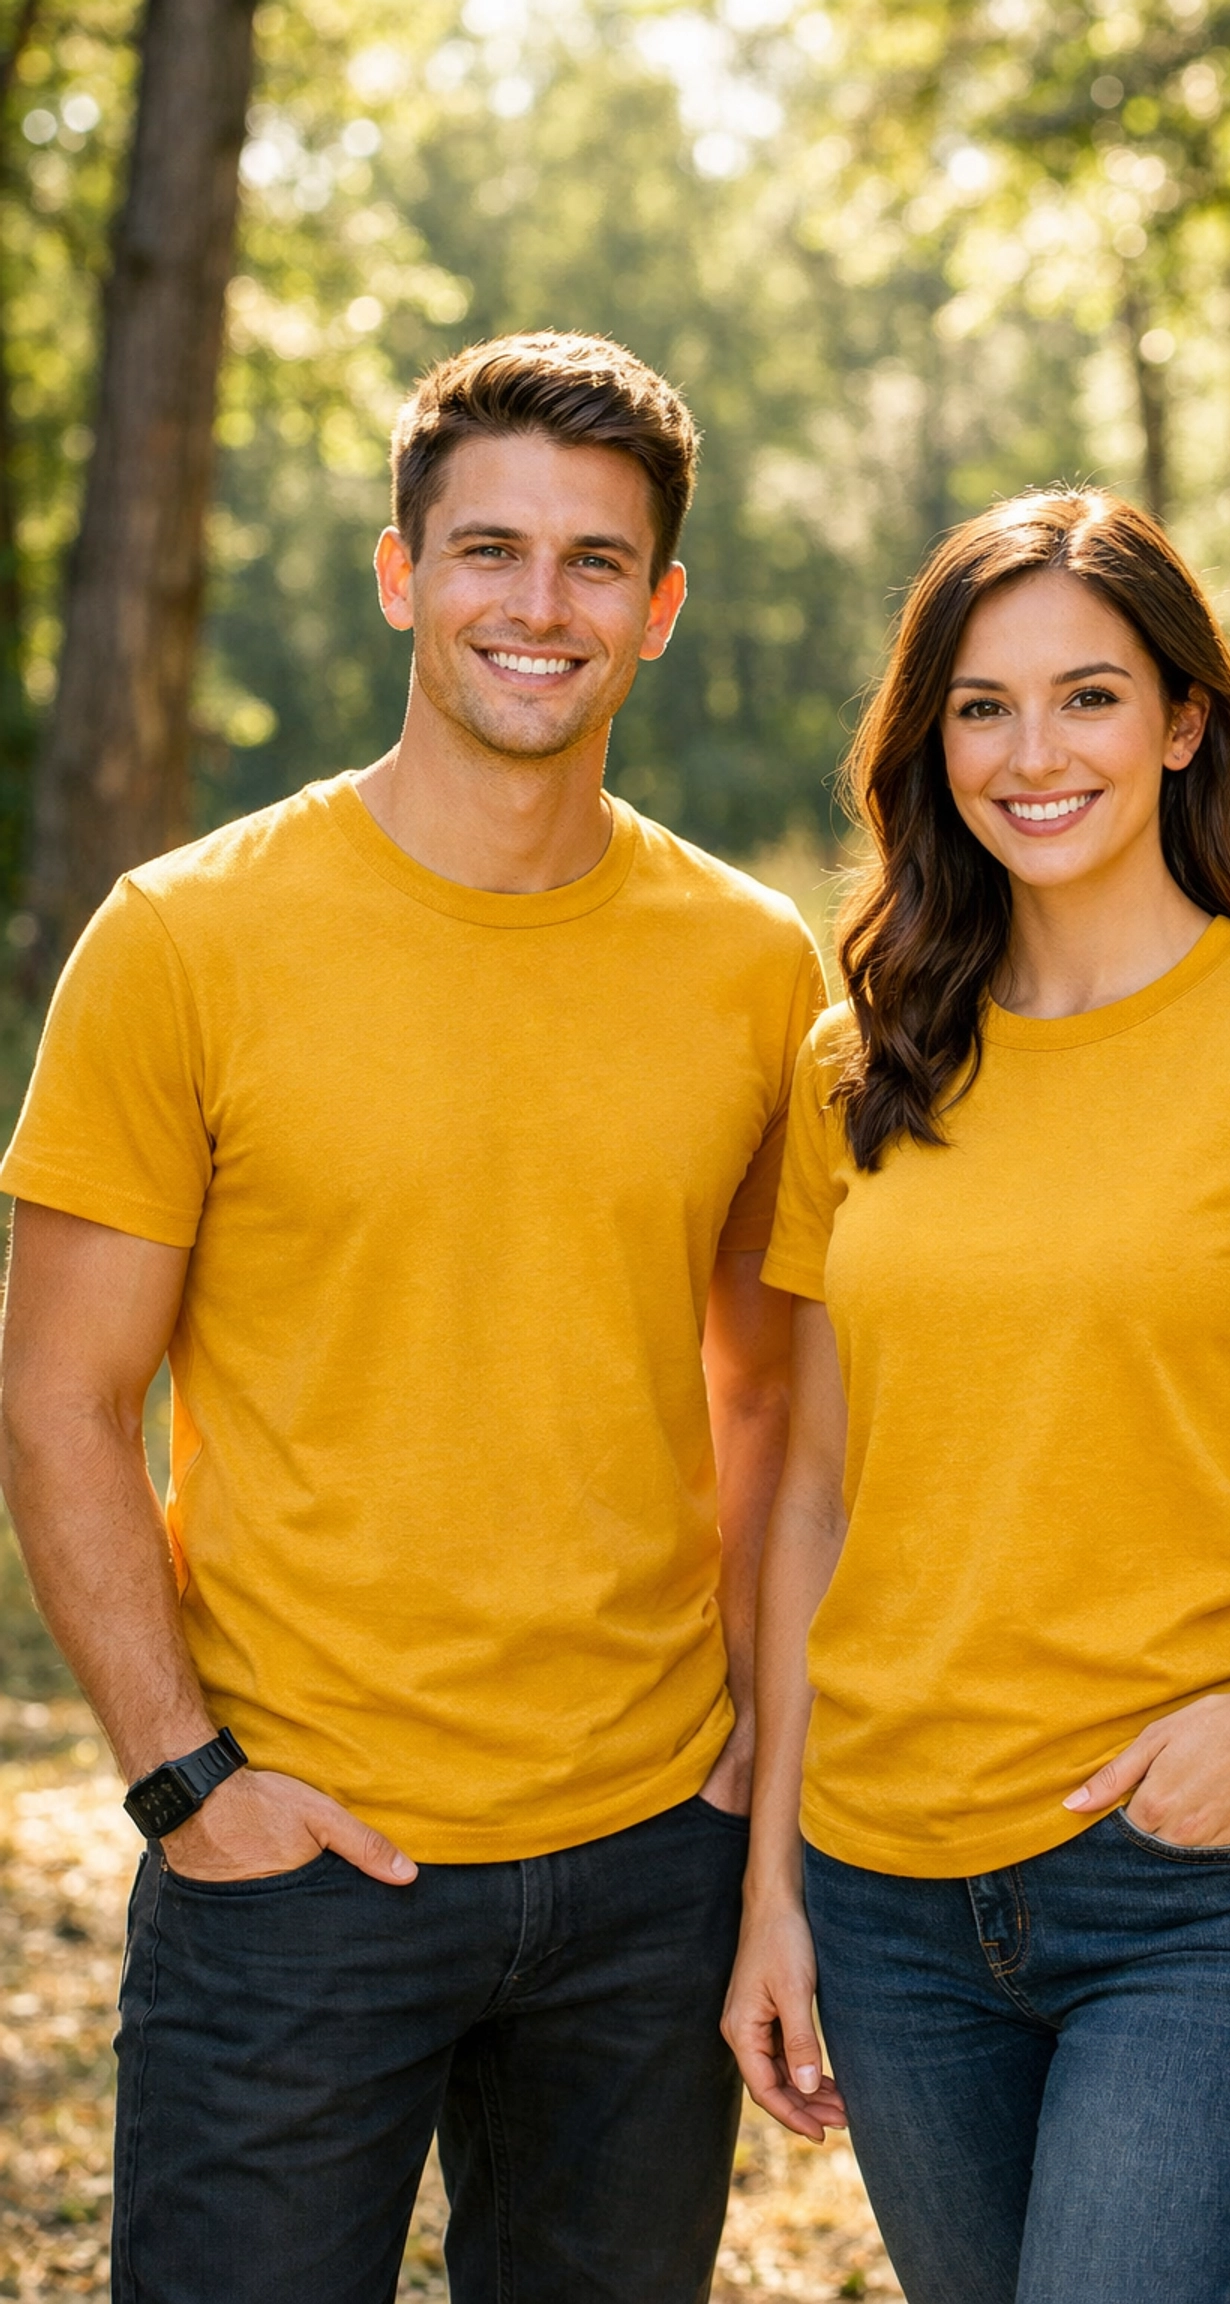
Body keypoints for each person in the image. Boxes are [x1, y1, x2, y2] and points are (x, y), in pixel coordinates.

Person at [0, 330, 825, 2304]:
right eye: (488, 550)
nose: (540, 605)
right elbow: (58, 1400)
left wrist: (753, 1787)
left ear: (660, 609)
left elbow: (775, 1404)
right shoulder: (186, 938)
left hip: (650, 1859)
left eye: (595, 561)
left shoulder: (751, 963)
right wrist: (187, 1784)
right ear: (399, 574)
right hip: (297, 1860)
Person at [722, 489, 1230, 2304]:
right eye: (982, 707)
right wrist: (774, 1890)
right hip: (888, 1896)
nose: (1034, 754)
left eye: (1088, 696)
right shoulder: (862, 1063)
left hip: (1200, 1886)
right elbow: (816, 1499)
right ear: (931, 745)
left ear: (1182, 723)